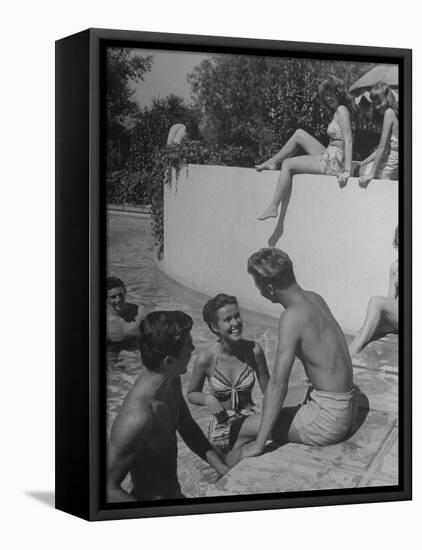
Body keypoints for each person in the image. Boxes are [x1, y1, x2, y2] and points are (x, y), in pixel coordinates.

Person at [227, 248, 356, 464]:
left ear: (269, 288)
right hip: (346, 405)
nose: (259, 291)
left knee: (239, 428)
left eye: (257, 285)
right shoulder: (315, 299)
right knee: (274, 402)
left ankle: (226, 475)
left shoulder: (291, 317)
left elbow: (279, 383)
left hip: (328, 420)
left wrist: (260, 442)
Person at [107, 311, 228, 502]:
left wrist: (222, 468)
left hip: (174, 496)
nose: (193, 348)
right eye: (188, 346)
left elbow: (186, 424)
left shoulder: (171, 380)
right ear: (169, 361)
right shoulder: (136, 418)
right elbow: (107, 489)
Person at [256, 76, 354, 246]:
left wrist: (347, 171)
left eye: (331, 94)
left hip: (334, 160)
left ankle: (273, 206)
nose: (328, 98)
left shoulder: (342, 110)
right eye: (326, 95)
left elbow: (349, 140)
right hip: (331, 153)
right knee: (300, 133)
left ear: (338, 93)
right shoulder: (338, 111)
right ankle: (272, 161)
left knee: (288, 165)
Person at [187, 294, 269, 454]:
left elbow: (270, 390)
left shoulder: (253, 351)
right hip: (221, 428)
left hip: (249, 421)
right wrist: (208, 399)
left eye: (237, 316)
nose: (236, 323)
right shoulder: (206, 358)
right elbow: (191, 393)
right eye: (228, 319)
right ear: (215, 327)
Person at [349, 227, 398, 358]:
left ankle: (351, 354)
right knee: (365, 329)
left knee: (376, 301)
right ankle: (345, 358)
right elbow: (390, 300)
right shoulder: (395, 267)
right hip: (397, 317)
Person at [359, 82, 399, 187]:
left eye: (379, 102)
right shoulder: (393, 112)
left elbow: (382, 147)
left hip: (392, 160)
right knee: (361, 167)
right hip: (393, 158)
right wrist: (364, 161)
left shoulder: (389, 113)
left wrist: (371, 174)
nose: (376, 107)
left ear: (387, 97)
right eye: (374, 103)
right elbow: (382, 148)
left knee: (362, 172)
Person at [106, 276, 148, 352]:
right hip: (112, 351)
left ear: (125, 293)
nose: (118, 299)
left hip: (135, 352)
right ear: (107, 299)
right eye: (113, 297)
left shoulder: (141, 313)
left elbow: (153, 337)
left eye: (121, 295)